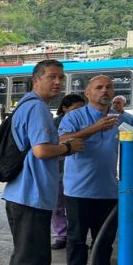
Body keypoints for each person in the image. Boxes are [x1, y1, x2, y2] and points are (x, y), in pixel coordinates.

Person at [0, 60, 84, 265]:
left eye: (61, 77)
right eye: (52, 77)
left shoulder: (27, 105)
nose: (58, 82)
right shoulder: (36, 108)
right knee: (35, 257)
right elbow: (41, 151)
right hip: (30, 194)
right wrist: (69, 148)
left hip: (21, 193)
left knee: (24, 253)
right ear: (37, 80)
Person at [59, 75, 119, 265]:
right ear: (88, 93)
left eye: (109, 87)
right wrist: (94, 128)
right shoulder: (75, 116)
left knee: (104, 240)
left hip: (108, 191)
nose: (105, 91)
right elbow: (61, 139)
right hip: (78, 191)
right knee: (76, 239)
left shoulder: (121, 118)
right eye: (99, 87)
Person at [50, 94, 86, 251]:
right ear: (64, 108)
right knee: (57, 206)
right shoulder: (54, 124)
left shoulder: (86, 123)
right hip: (58, 170)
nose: (79, 112)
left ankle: (78, 235)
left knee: (78, 207)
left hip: (80, 172)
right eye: (75, 109)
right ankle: (61, 235)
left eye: (82, 109)